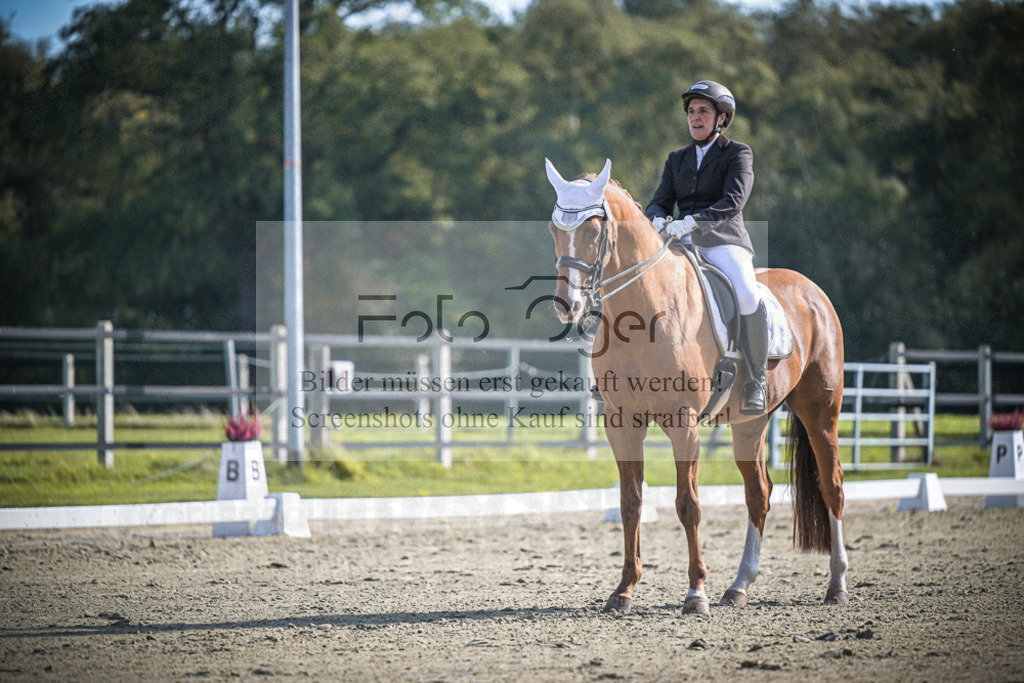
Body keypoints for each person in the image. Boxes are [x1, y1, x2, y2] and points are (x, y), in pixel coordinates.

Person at [645, 80, 768, 415]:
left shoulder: (738, 153)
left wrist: (693, 220)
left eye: (703, 111)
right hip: (680, 242)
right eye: (691, 112)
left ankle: (757, 380)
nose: (694, 117)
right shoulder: (676, 159)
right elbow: (658, 202)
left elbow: (734, 200)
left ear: (721, 118)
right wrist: (656, 220)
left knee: (745, 293)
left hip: (724, 240)